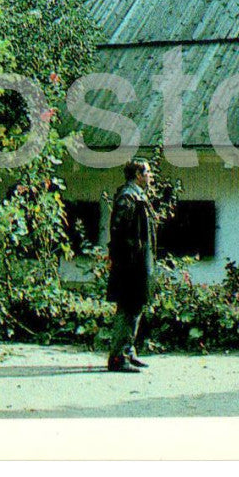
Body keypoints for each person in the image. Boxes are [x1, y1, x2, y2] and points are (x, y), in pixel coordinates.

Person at [106, 158, 156, 373]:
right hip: (131, 263)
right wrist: (126, 259)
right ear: (137, 175)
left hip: (137, 260)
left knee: (135, 307)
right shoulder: (128, 196)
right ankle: (118, 357)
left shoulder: (137, 195)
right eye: (147, 172)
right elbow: (118, 231)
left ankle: (128, 350)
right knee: (127, 308)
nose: (150, 176)